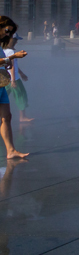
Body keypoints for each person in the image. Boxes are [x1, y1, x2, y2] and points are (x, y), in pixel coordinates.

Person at [0, 17, 27, 159]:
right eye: (7, 31)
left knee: (7, 117)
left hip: (1, 84)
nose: (7, 35)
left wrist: (7, 64)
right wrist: (12, 57)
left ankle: (10, 151)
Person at [3, 34, 32, 124]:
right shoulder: (11, 52)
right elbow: (11, 66)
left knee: (2, 97)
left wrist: (21, 73)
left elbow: (12, 65)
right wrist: (13, 80)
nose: (16, 42)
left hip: (5, 78)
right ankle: (22, 117)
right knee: (21, 96)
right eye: (15, 40)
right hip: (13, 79)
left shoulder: (4, 50)